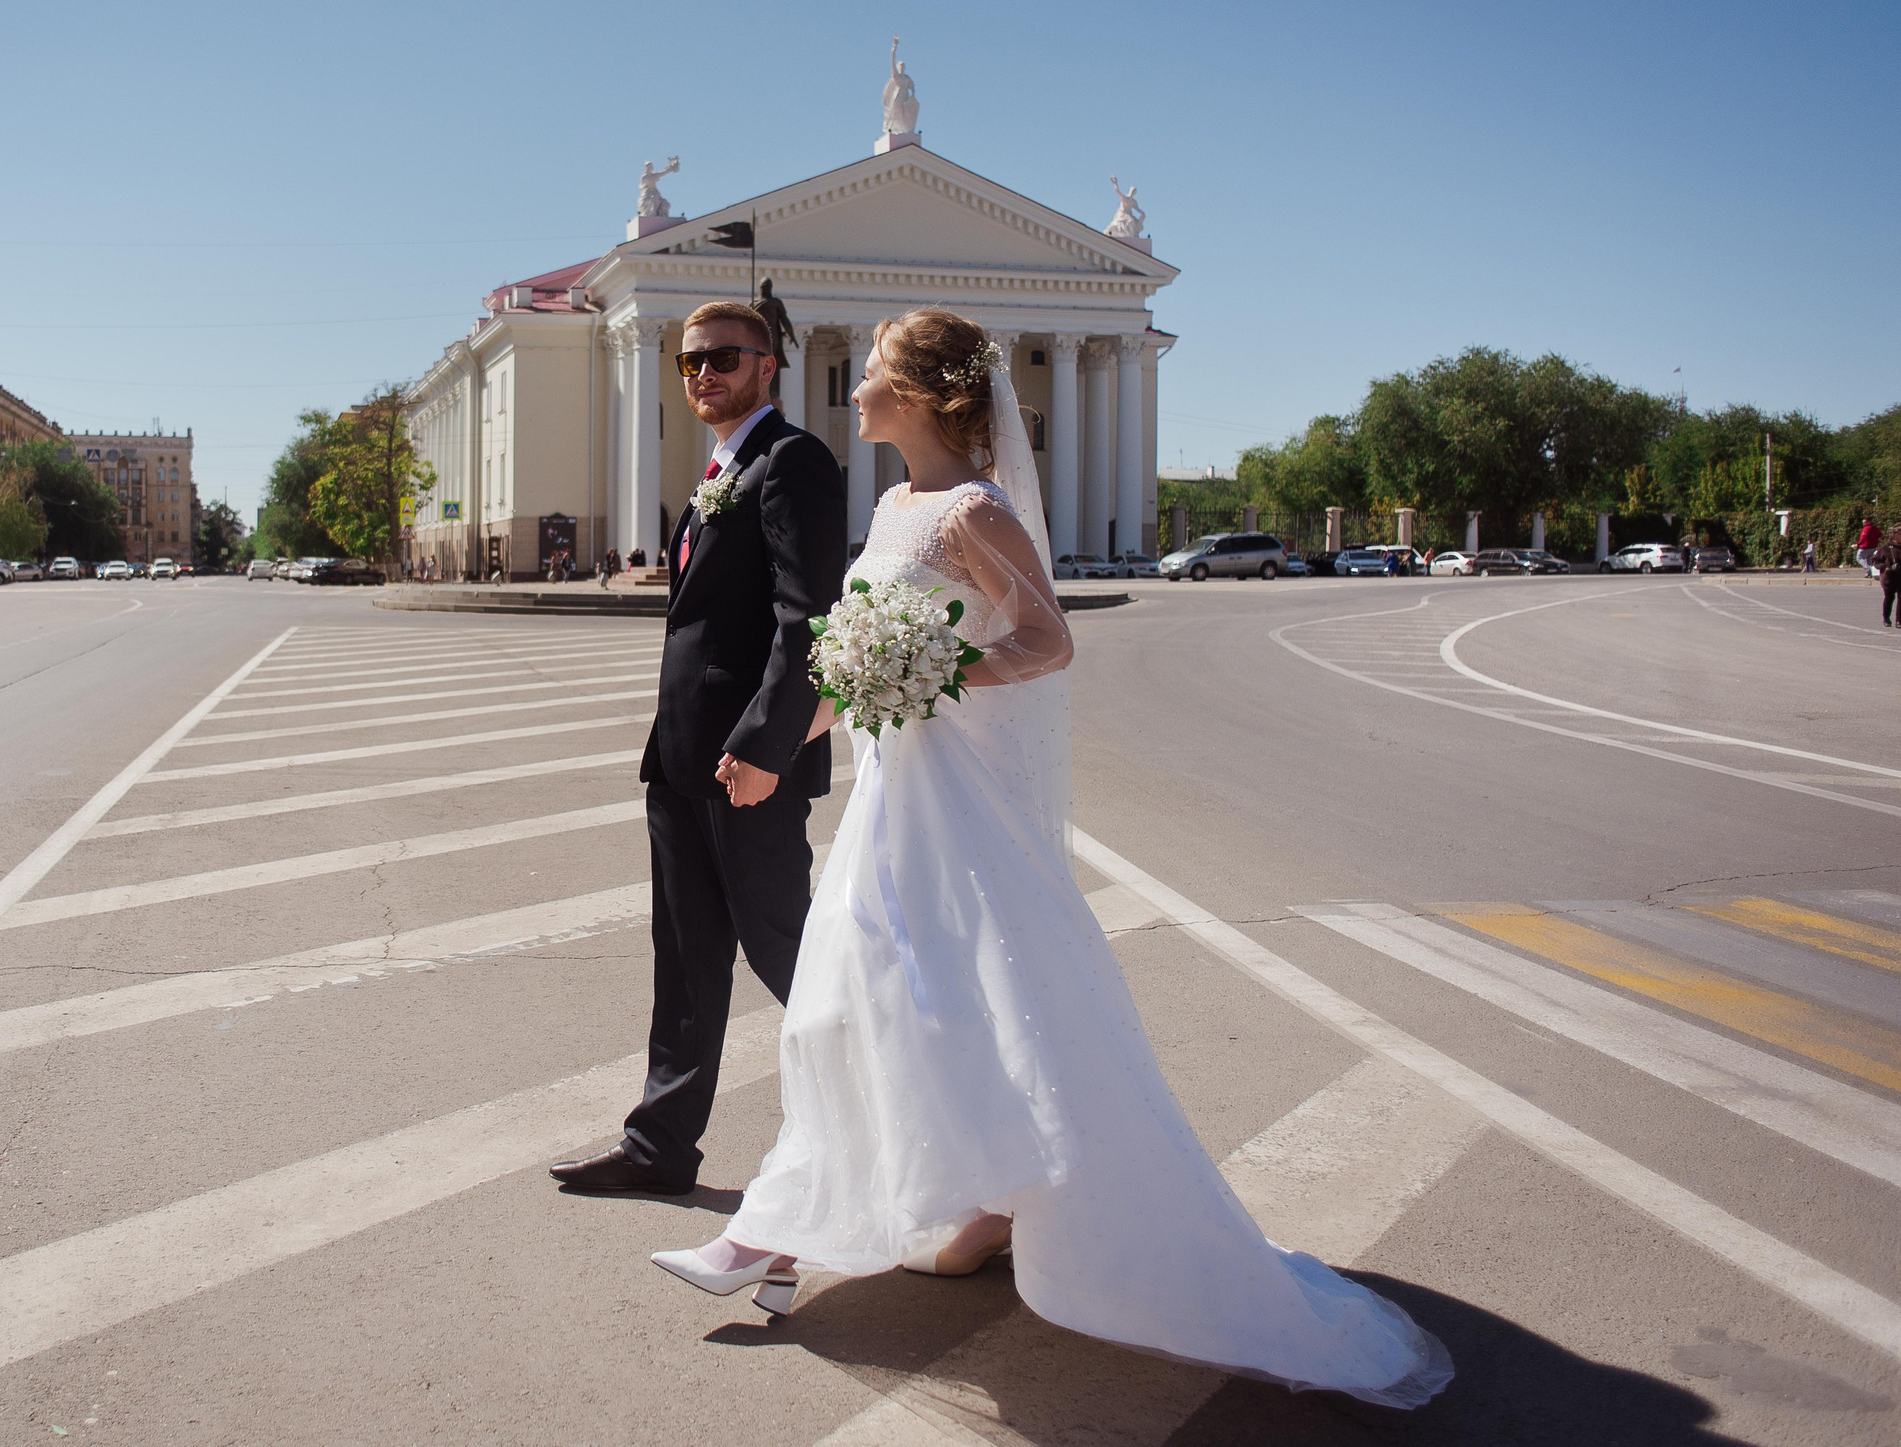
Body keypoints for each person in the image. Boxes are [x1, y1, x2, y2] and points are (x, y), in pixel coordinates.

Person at [647, 309, 1453, 1410]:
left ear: (922, 396)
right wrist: (782, 745)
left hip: (950, 797)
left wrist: (931, 671)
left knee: (912, 1000)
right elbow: (849, 653)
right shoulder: (891, 504)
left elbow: (1046, 639)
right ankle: (897, 1218)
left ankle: (773, 1241)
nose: (857, 391)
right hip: (892, 790)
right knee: (861, 1005)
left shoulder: (974, 510)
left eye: (874, 374)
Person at [550, 298, 846, 1195]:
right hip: (681, 761)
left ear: (768, 365)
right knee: (683, 954)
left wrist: (769, 744)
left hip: (746, 767)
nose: (703, 375)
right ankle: (659, 1147)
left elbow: (808, 620)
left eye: (722, 357)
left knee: (788, 950)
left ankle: (917, 1117)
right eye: (689, 363)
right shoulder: (719, 467)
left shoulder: (792, 461)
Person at [1877, 537, 1900, 626]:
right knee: (1889, 598)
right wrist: (1885, 567)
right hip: (1889, 578)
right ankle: (1886, 618)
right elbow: (1876, 561)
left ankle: (1899, 620)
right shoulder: (1886, 548)